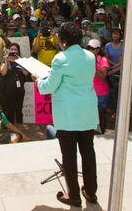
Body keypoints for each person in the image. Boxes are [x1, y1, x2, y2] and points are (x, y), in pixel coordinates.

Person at [36, 22, 98, 208]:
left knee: (69, 156)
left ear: (63, 41)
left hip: (68, 114)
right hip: (87, 111)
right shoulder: (90, 56)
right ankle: (91, 191)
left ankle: (73, 194)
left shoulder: (60, 59)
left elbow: (50, 87)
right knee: (88, 152)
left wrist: (39, 81)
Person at [0, 42, 30, 125]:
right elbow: (3, 73)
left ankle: (20, 128)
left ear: (18, 52)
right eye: (12, 49)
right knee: (10, 110)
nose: (13, 51)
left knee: (19, 110)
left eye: (15, 50)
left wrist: (19, 61)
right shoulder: (4, 60)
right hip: (8, 90)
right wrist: (6, 61)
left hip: (20, 90)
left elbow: (26, 73)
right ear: (9, 50)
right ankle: (11, 129)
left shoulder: (22, 61)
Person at [87, 39, 110, 133]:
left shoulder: (103, 60)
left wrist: (94, 68)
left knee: (101, 114)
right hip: (89, 91)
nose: (90, 50)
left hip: (101, 93)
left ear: (98, 50)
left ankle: (102, 133)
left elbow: (103, 78)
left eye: (92, 48)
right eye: (88, 48)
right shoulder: (86, 60)